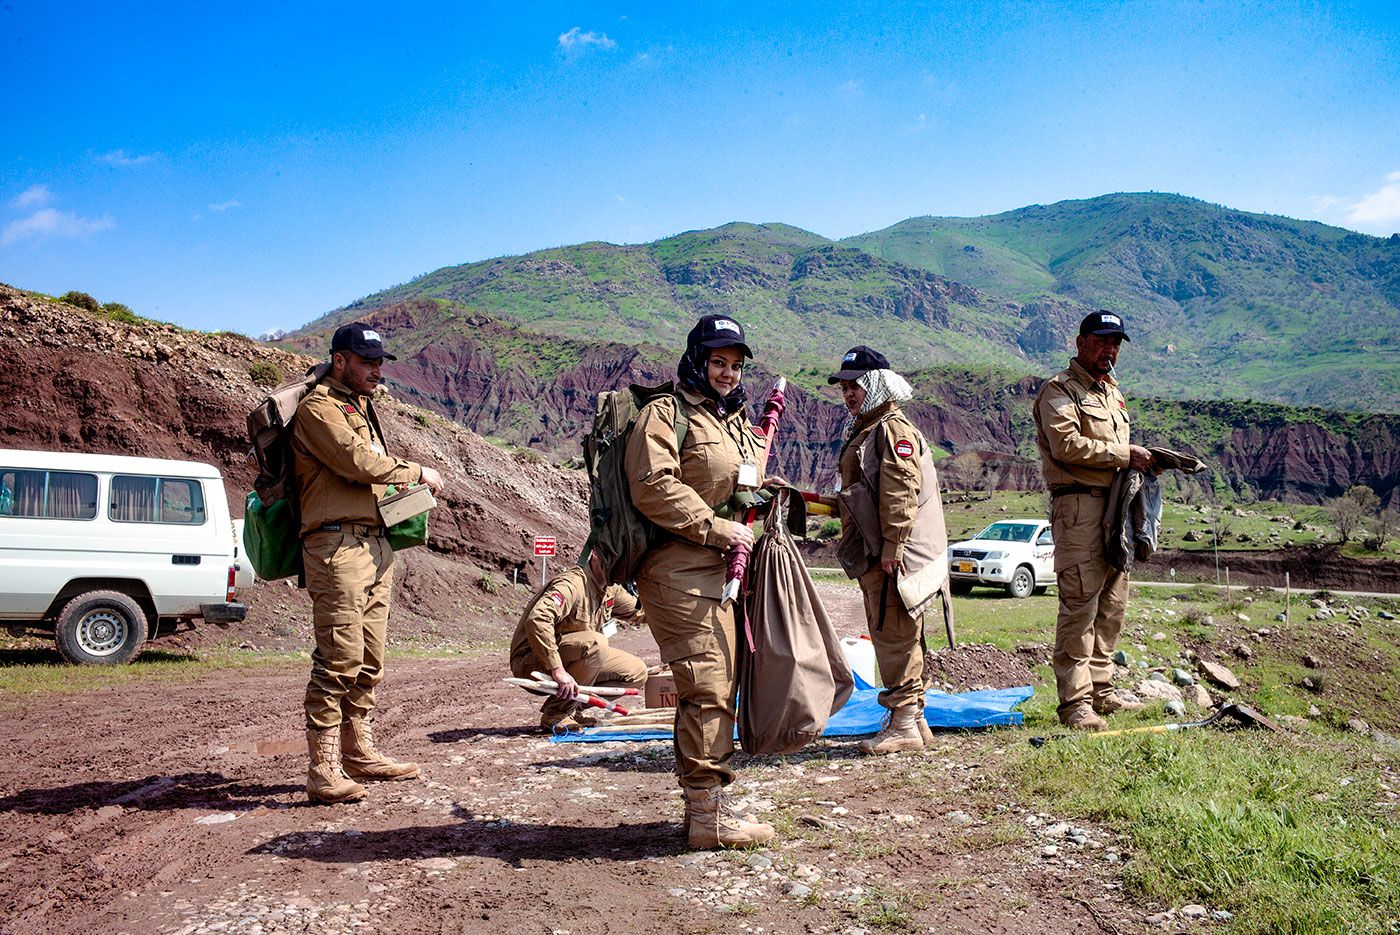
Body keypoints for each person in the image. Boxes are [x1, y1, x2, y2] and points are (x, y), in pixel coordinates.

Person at [624, 314, 776, 850]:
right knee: (708, 686)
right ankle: (707, 822)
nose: (728, 373)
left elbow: (733, 481)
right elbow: (652, 486)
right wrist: (717, 526)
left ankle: (704, 810)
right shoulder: (664, 415)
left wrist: (758, 494)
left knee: (718, 685)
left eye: (735, 365)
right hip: (678, 570)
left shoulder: (730, 421)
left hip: (720, 570)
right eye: (718, 362)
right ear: (696, 359)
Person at [293, 322, 445, 804]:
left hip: (374, 545)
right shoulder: (319, 408)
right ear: (340, 361)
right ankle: (322, 770)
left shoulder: (359, 407)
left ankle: (358, 753)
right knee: (338, 658)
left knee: (370, 659)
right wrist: (417, 471)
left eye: (380, 361)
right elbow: (354, 462)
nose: (377, 369)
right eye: (367, 361)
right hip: (336, 548)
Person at [1033, 311, 1155, 731]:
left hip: (1116, 507)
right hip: (1079, 508)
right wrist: (1126, 455)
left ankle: (1101, 691)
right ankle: (1075, 704)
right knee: (1080, 606)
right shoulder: (1058, 391)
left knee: (1112, 604)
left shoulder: (1112, 392)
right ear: (1082, 342)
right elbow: (1066, 445)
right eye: (1103, 341)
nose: (1110, 349)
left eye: (1116, 342)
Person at [830, 346, 944, 755]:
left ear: (875, 384)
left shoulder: (889, 429)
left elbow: (900, 492)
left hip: (889, 553)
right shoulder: (873, 427)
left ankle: (904, 724)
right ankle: (914, 719)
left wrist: (893, 547)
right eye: (844, 387)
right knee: (900, 633)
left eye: (855, 385)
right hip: (880, 549)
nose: (848, 394)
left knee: (893, 632)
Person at [509, 559, 649, 732]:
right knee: (597, 644)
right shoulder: (572, 584)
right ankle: (556, 714)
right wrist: (557, 669)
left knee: (636, 672)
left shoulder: (611, 589)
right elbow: (538, 619)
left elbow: (643, 611)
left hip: (577, 656)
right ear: (596, 553)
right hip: (532, 662)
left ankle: (573, 708)